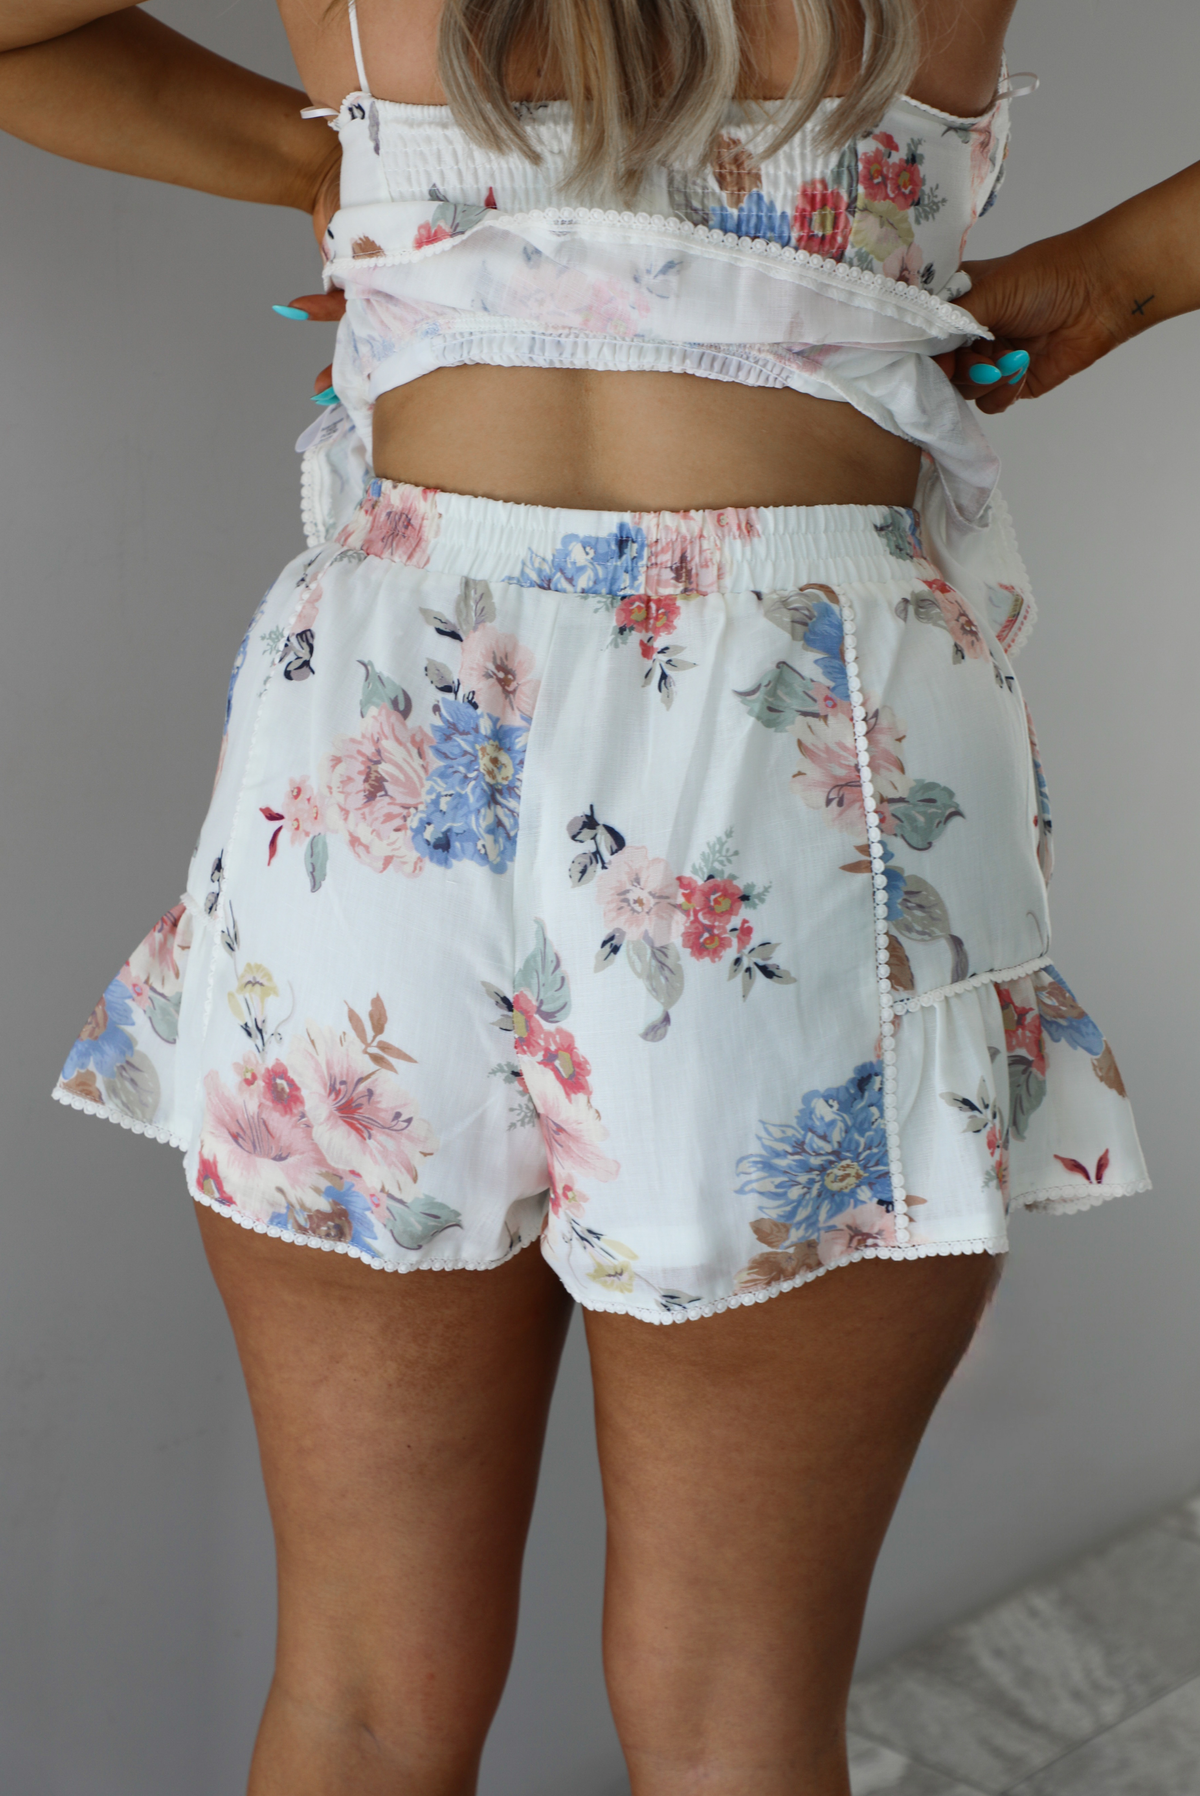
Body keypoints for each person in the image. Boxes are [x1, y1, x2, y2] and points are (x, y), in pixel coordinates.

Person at [1, 2, 1161, 1792]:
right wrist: (1123, 274)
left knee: (360, 1698)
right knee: (730, 1725)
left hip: (371, 756)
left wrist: (326, 156)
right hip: (794, 767)